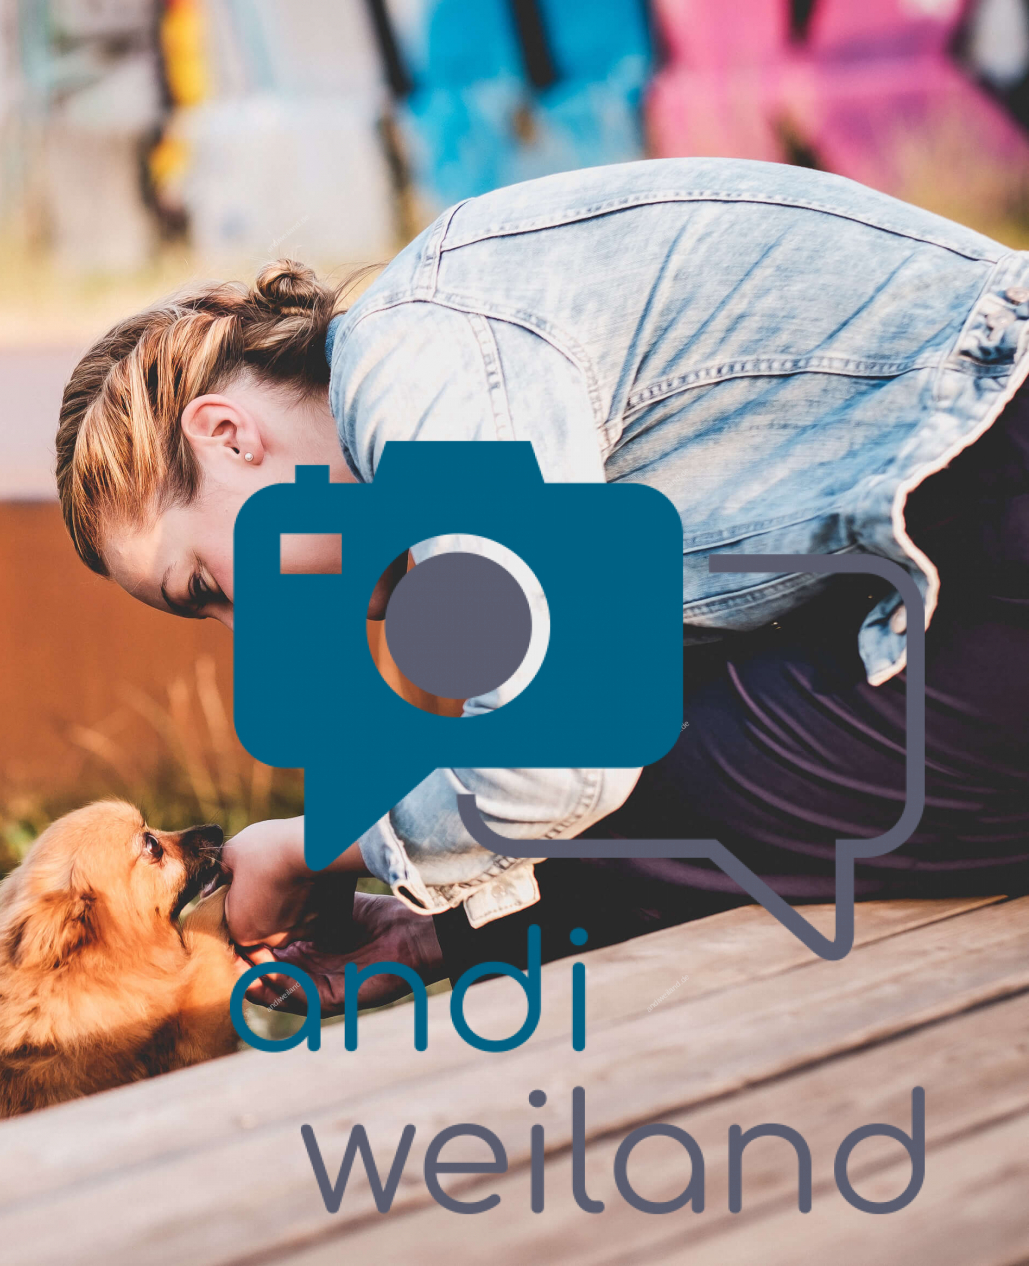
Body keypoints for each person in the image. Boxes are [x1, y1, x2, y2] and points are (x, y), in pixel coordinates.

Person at [53, 157, 1029, 1007]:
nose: (246, 629)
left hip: (999, 497)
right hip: (963, 568)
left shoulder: (413, 364)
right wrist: (438, 930)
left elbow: (566, 757)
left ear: (228, 435)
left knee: (663, 758)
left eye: (201, 584)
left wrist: (316, 844)